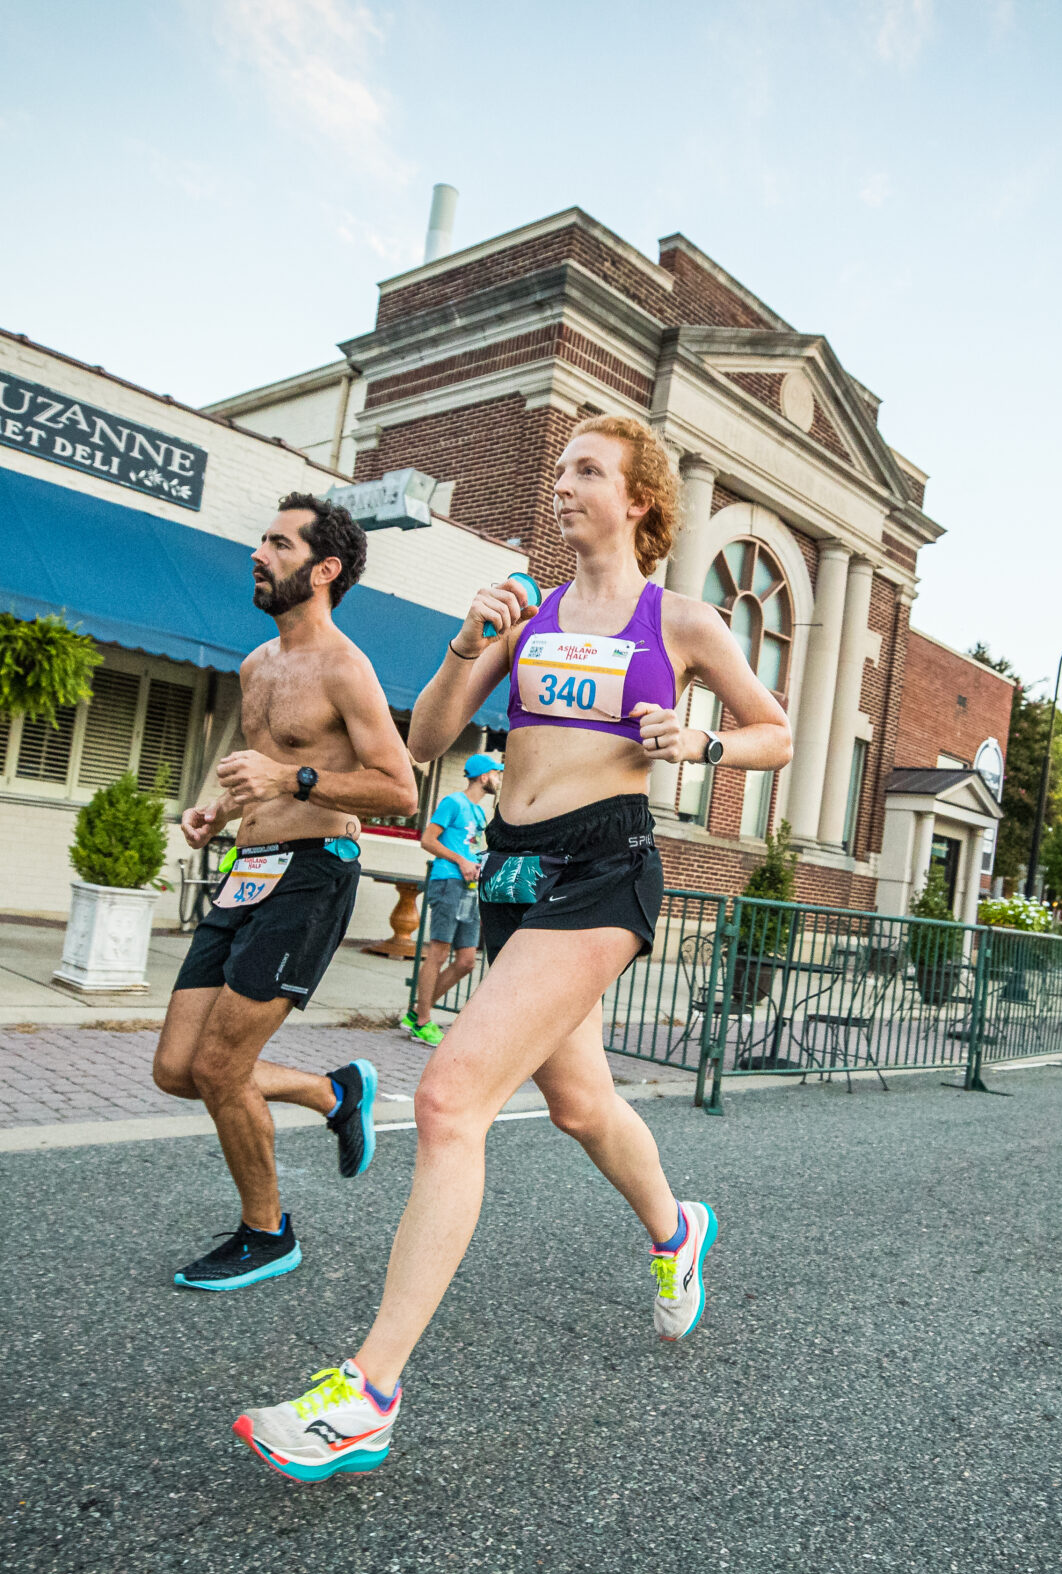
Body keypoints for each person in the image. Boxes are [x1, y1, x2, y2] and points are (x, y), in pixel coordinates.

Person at [234, 415, 793, 1481]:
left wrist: (707, 739)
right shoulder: (524, 615)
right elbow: (428, 742)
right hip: (513, 874)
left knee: (450, 1101)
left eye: (587, 470)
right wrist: (463, 640)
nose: (563, 484)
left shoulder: (677, 620)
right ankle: (678, 1229)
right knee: (581, 1103)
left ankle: (369, 1394)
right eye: (561, 469)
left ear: (637, 500)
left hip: (605, 870)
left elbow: (776, 730)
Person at [150, 495, 421, 1292]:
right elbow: (259, 768)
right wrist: (220, 807)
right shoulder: (256, 665)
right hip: (249, 868)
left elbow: (400, 789)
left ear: (324, 568)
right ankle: (334, 1092)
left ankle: (266, 1233)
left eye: (277, 542)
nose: (258, 554)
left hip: (312, 872)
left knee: (223, 1065)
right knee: (178, 1067)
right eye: (260, 540)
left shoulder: (346, 666)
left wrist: (294, 777)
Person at [405, 752, 503, 1044]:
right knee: (438, 952)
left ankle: (415, 1011)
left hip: (469, 889)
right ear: (484, 776)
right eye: (497, 773)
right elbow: (427, 840)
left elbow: (473, 849)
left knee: (466, 961)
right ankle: (422, 1022)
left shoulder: (478, 813)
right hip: (447, 882)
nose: (499, 779)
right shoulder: (453, 803)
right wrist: (461, 861)